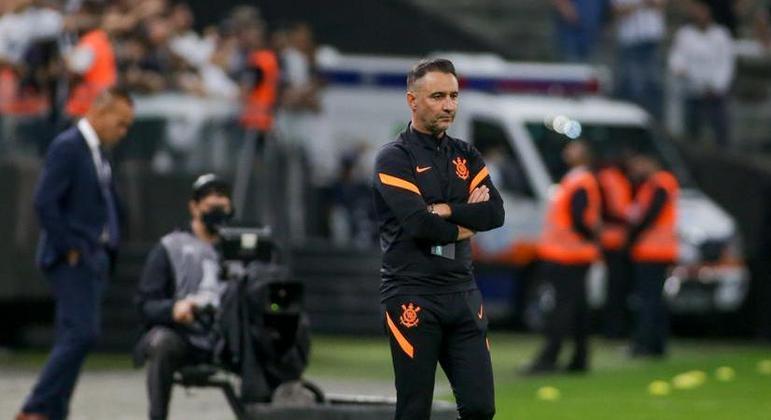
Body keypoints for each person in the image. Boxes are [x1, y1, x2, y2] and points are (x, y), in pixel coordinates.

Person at [372, 58, 504, 420]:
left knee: (480, 407)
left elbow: (495, 213)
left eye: (454, 96)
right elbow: (419, 225)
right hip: (412, 294)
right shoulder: (393, 158)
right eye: (438, 96)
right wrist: (465, 217)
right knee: (414, 409)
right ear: (412, 101)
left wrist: (445, 209)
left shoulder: (466, 154)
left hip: (462, 292)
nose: (449, 105)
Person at [16, 87, 134, 420]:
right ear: (100, 112)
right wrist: (69, 246)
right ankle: (36, 408)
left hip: (93, 256)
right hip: (74, 256)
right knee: (82, 333)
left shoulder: (97, 153)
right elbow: (44, 201)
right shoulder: (69, 147)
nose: (122, 132)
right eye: (120, 123)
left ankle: (54, 410)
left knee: (76, 335)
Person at [134, 174, 234, 420]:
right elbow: (146, 304)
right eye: (211, 208)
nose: (217, 214)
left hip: (230, 337)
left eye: (223, 207)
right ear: (194, 207)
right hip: (186, 335)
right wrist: (174, 309)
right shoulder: (170, 247)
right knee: (162, 342)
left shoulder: (241, 249)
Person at [524, 139, 601, 374]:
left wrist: (587, 236)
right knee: (576, 309)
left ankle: (550, 357)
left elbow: (579, 219)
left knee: (562, 309)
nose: (567, 151)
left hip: (568, 255)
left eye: (574, 148)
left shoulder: (579, 181)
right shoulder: (578, 180)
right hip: (573, 254)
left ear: (584, 155)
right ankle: (579, 358)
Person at [625, 154, 679, 357]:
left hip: (653, 250)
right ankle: (655, 344)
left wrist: (633, 235)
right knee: (654, 298)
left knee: (649, 299)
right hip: (655, 250)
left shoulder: (661, 182)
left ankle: (645, 343)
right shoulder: (653, 184)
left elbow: (650, 214)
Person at [669, 0, 735, 148]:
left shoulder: (721, 35)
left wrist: (716, 86)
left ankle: (723, 154)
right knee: (692, 133)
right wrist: (680, 68)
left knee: (721, 132)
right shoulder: (685, 34)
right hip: (693, 91)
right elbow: (676, 59)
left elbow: (726, 64)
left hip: (715, 93)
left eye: (702, 11)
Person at [596, 160, 634, 338]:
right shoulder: (619, 180)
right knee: (617, 288)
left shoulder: (605, 178)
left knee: (613, 288)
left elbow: (605, 210)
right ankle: (615, 328)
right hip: (618, 240)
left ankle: (611, 328)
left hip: (608, 239)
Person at [611, 0, 667, 120]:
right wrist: (641, 4)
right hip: (630, 41)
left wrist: (636, 5)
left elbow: (660, 4)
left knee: (654, 83)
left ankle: (653, 121)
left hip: (651, 41)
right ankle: (632, 120)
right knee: (633, 85)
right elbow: (617, 11)